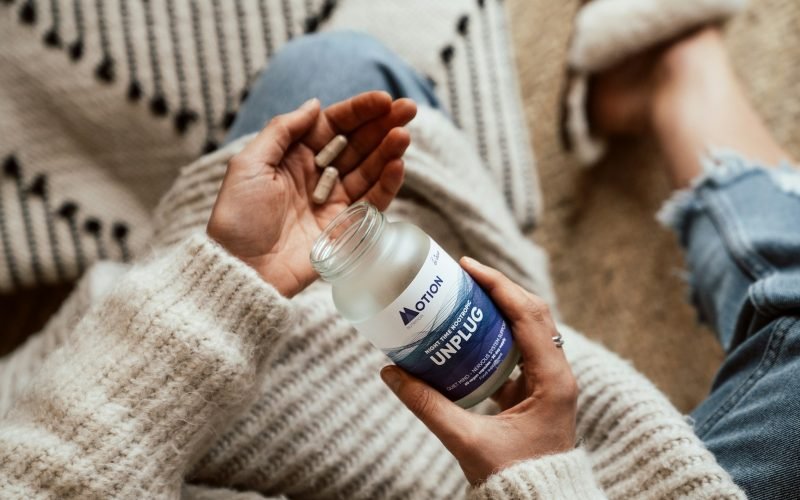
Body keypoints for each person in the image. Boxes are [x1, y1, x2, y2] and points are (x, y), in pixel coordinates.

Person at [0, 22, 797, 500]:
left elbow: (57, 472)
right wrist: (542, 474)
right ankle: (677, 77)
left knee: (335, 73)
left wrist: (225, 279)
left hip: (183, 433)